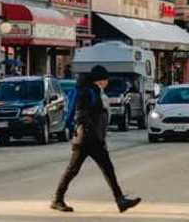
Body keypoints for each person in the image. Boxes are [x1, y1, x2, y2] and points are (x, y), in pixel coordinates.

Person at [51, 65, 141, 214]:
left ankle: (120, 201)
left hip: (90, 138)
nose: (107, 82)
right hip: (88, 138)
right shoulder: (87, 92)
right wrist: (91, 133)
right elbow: (81, 114)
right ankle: (57, 199)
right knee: (82, 170)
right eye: (105, 79)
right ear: (100, 80)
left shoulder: (93, 90)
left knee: (97, 169)